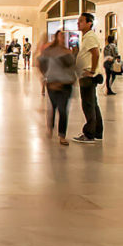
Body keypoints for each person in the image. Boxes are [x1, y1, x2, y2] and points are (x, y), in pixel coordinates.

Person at [39, 29, 75, 146]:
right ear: (56, 37)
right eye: (61, 36)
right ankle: (50, 127)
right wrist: (46, 76)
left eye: (65, 36)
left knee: (63, 110)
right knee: (53, 107)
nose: (63, 38)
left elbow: (72, 68)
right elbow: (41, 62)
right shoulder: (50, 51)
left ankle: (62, 135)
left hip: (66, 84)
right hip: (53, 84)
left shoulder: (68, 52)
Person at [73, 13, 103, 144]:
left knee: (88, 104)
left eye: (81, 21)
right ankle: (97, 131)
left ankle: (89, 134)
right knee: (93, 103)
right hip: (85, 74)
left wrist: (91, 70)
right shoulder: (86, 37)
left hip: (88, 76)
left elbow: (95, 53)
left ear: (89, 23)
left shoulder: (90, 37)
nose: (78, 23)